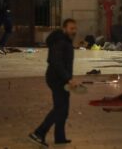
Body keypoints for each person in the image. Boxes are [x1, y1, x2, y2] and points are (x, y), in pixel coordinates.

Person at [29, 19, 78, 148]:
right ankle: (38, 133)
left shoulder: (65, 40)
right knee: (59, 109)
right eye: (71, 28)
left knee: (64, 109)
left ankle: (60, 137)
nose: (74, 31)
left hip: (61, 78)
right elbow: (57, 63)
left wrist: (68, 78)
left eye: (75, 28)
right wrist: (68, 78)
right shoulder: (60, 41)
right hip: (56, 79)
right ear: (64, 28)